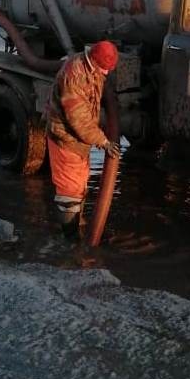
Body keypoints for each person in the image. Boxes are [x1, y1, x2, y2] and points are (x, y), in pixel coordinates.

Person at [45, 40, 121, 236]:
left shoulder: (91, 69)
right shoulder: (75, 76)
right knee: (70, 189)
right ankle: (70, 240)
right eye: (103, 69)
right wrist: (103, 141)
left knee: (80, 184)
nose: (105, 74)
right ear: (93, 61)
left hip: (78, 139)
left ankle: (77, 226)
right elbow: (78, 118)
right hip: (65, 137)